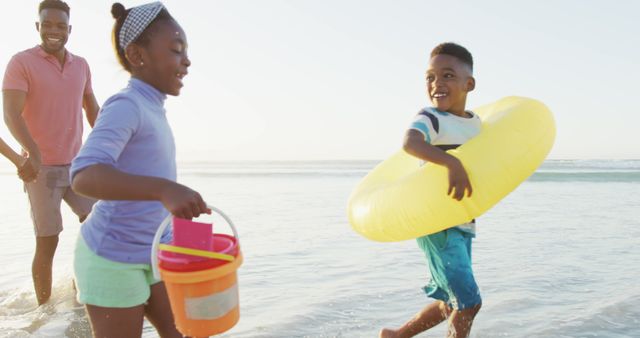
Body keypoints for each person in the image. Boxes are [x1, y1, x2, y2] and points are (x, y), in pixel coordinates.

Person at [70, 2, 209, 337]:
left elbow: (147, 186)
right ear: (137, 55)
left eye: (186, 51)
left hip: (155, 250)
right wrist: (164, 189)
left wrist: (186, 236)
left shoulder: (153, 107)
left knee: (184, 332)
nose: (186, 60)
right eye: (176, 50)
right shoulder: (126, 105)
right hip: (111, 257)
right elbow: (84, 175)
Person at [380, 42, 482, 338]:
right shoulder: (430, 117)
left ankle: (395, 336)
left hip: (463, 221)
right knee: (469, 302)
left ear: (469, 83)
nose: (437, 84)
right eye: (430, 77)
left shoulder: (476, 124)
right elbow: (411, 142)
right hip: (436, 222)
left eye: (448, 75)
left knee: (451, 304)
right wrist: (451, 162)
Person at [2, 0, 100, 305]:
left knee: (98, 225)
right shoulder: (21, 63)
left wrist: (109, 143)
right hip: (41, 172)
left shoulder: (81, 65)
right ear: (37, 27)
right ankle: (43, 312)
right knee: (48, 242)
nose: (53, 31)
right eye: (47, 24)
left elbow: (91, 107)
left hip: (78, 166)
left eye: (60, 25)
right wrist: (30, 154)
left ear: (69, 30)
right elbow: (11, 115)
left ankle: (80, 290)